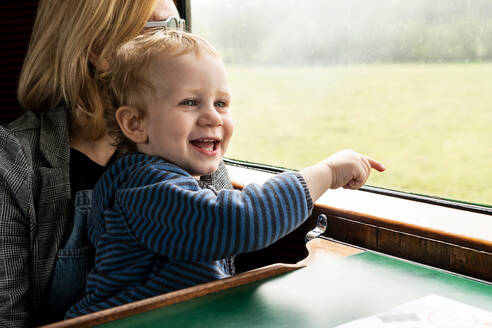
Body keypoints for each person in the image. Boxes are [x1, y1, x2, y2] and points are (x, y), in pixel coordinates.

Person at [65, 30, 385, 318]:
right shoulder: (146, 187)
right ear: (136, 124)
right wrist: (324, 174)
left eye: (221, 103)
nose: (212, 117)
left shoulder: (166, 177)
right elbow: (235, 222)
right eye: (190, 102)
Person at [0, 1, 232, 326]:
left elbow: (218, 293)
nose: (180, 45)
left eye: (179, 27)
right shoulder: (12, 161)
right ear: (100, 51)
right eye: (162, 31)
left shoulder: (192, 146)